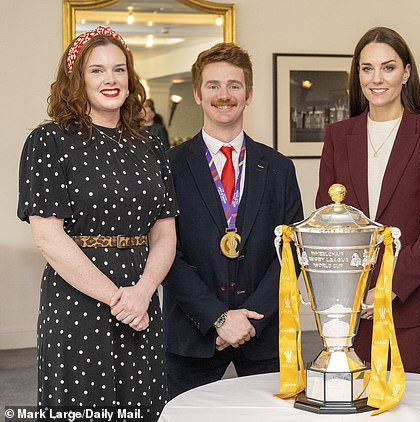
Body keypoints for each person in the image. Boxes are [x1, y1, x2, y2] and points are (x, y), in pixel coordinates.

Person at [17, 26, 178, 420]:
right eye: (97, 70)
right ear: (77, 80)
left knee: (145, 407)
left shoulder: (152, 143)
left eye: (119, 70)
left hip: (141, 300)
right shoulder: (48, 141)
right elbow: (48, 238)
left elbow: (165, 232)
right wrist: (118, 299)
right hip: (78, 302)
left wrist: (142, 292)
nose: (111, 80)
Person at [162, 42, 303, 398]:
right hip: (192, 332)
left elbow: (292, 252)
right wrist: (219, 318)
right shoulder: (168, 166)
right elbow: (164, 251)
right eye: (213, 85)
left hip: (263, 332)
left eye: (234, 85)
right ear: (197, 93)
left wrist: (250, 316)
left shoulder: (279, 168)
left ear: (249, 94)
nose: (224, 95)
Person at [315, 27, 420, 375]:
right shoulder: (338, 135)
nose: (377, 79)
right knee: (357, 402)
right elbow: (326, 218)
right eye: (367, 68)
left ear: (406, 73)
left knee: (414, 405)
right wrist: (352, 289)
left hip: (412, 300)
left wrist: (390, 286)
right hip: (351, 306)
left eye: (388, 68)